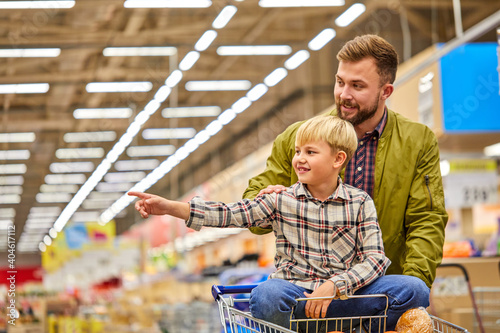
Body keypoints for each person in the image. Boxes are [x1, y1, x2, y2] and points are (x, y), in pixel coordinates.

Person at [129, 115, 426, 331]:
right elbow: (230, 213)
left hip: (343, 299)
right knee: (267, 295)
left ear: (338, 159)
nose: (299, 159)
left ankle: (344, 327)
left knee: (414, 289)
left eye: (310, 152)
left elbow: (375, 259)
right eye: (298, 151)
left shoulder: (360, 202)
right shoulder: (279, 200)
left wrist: (334, 286)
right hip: (296, 300)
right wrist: (170, 207)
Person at [243, 35, 448, 294]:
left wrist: (413, 284)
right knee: (267, 296)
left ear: (385, 91)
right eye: (340, 82)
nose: (344, 95)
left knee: (414, 289)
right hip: (308, 285)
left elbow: (426, 219)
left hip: (377, 284)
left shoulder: (417, 141)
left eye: (357, 86)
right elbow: (253, 202)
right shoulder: (299, 136)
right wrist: (264, 201)